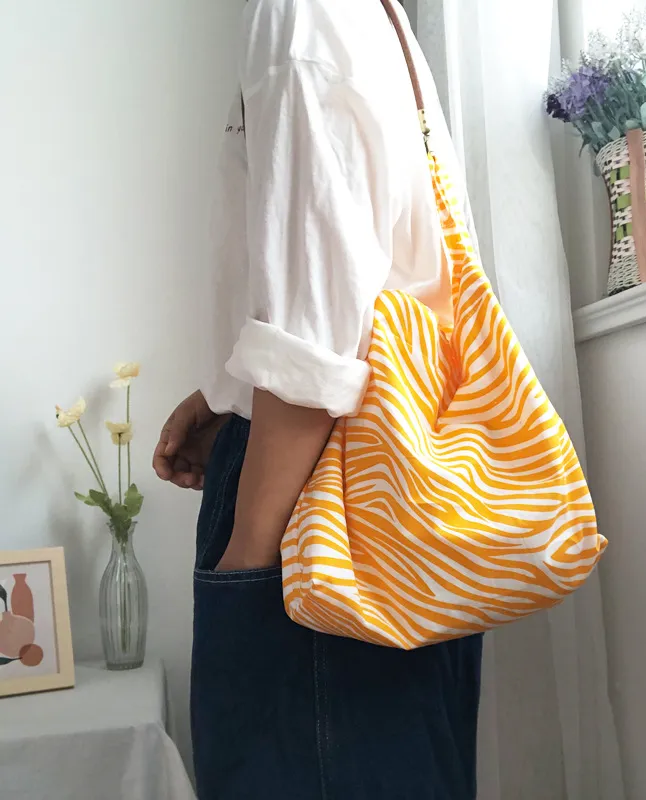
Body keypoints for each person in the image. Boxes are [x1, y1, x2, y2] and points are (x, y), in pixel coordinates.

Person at [153, 1, 483, 797]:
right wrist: (228, 392)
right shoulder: (378, 16)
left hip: (319, 500)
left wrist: (245, 563)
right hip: (407, 487)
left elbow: (318, 338)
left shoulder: (299, 14)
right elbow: (371, 277)